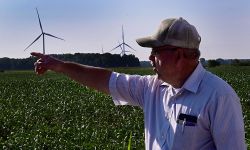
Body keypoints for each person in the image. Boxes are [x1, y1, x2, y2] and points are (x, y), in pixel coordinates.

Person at [31, 17, 246, 150]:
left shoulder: (219, 96)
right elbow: (105, 79)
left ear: (179, 54)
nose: (151, 58)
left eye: (155, 51)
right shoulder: (151, 88)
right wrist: (58, 65)